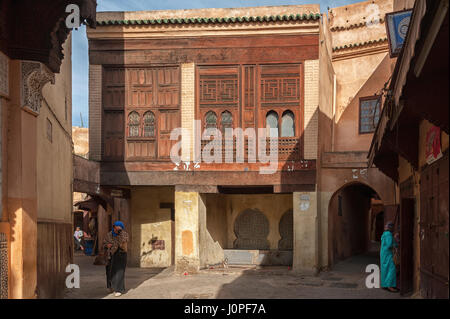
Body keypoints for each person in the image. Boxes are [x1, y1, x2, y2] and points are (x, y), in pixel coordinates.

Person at [103, 221, 128, 297]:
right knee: (110, 271)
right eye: (115, 227)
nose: (116, 228)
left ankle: (119, 289)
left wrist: (120, 233)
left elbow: (124, 242)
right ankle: (111, 286)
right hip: (110, 255)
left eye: (118, 227)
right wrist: (107, 245)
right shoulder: (109, 235)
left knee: (120, 272)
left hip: (121, 255)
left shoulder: (124, 234)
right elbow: (104, 243)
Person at [380, 221, 399, 292]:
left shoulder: (385, 234)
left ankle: (384, 284)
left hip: (384, 254)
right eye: (392, 227)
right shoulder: (388, 234)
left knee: (385, 269)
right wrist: (395, 241)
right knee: (392, 269)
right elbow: (389, 245)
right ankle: (389, 285)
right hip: (388, 254)